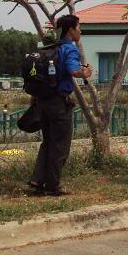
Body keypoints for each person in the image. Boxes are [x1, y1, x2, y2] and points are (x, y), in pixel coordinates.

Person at [28, 15, 92, 196]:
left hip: (43, 102)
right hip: (59, 104)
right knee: (60, 145)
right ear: (71, 30)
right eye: (79, 27)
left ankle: (37, 180)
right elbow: (74, 70)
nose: (80, 30)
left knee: (48, 142)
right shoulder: (70, 49)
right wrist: (85, 72)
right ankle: (53, 186)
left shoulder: (51, 48)